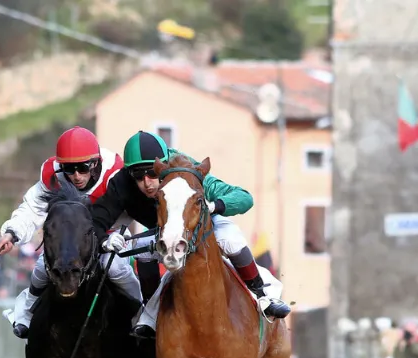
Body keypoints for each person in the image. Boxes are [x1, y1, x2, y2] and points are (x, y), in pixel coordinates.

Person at [89, 131, 290, 339]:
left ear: (163, 166)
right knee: (140, 247)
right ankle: (150, 314)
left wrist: (215, 205)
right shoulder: (121, 183)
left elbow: (244, 198)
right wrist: (105, 239)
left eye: (152, 173)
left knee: (230, 239)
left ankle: (263, 294)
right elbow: (96, 219)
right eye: (138, 176)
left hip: (204, 225)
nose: (147, 182)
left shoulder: (188, 171)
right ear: (129, 173)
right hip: (166, 232)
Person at [0, 126, 136, 339]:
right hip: (73, 237)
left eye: (82, 167)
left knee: (113, 267)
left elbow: (136, 208)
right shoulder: (53, 175)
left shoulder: (116, 173)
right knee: (45, 264)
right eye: (69, 169)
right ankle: (25, 310)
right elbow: (32, 209)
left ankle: (141, 311)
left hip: (112, 232)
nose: (76, 176)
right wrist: (11, 234)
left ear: (95, 162)